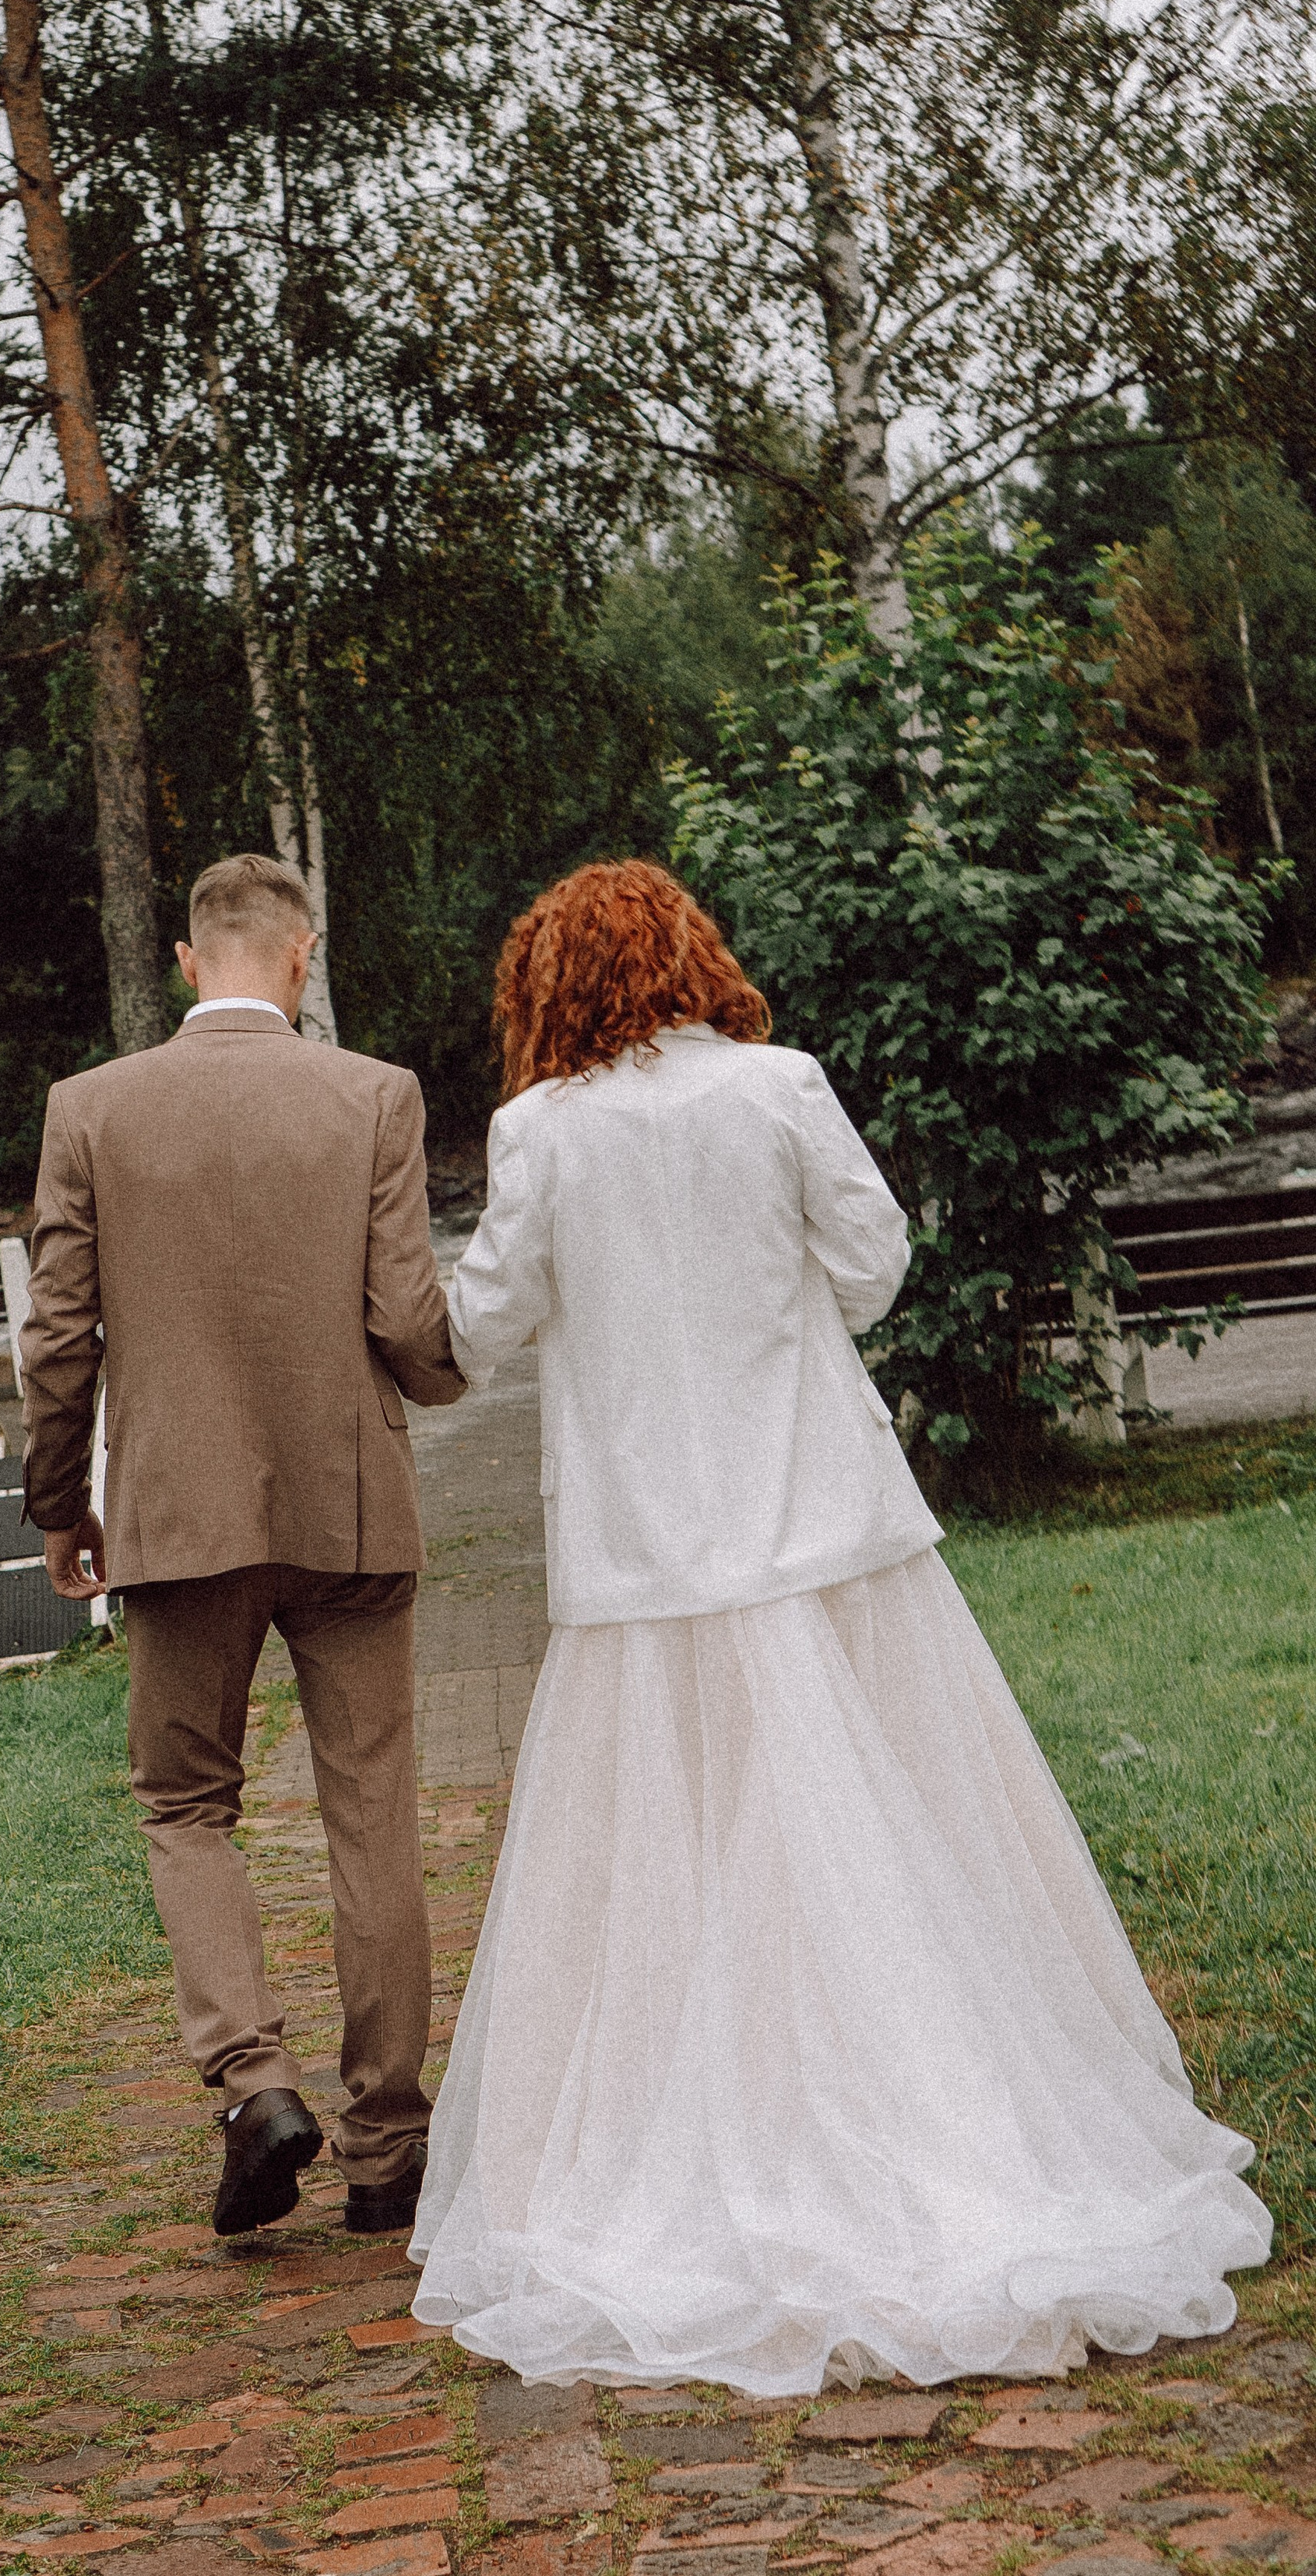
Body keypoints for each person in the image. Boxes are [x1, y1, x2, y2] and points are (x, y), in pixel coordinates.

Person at [410, 857, 1270, 2391]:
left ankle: (706, 2128)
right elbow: (871, 1273)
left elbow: (480, 1326)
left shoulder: (538, 1133)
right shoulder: (780, 1086)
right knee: (887, 1828)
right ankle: (936, 2123)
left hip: (646, 1555)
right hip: (820, 1522)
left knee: (682, 1844)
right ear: (688, 957)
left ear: (544, 985)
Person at [21, 852, 465, 2238]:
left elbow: (57, 1339)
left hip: (178, 1515)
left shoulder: (91, 1110)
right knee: (370, 1809)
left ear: (182, 959)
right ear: (303, 955)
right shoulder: (373, 1095)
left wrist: (59, 1503)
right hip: (347, 1509)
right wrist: (448, 1379)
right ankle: (389, 2151)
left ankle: (256, 2085)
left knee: (184, 1806)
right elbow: (407, 1322)